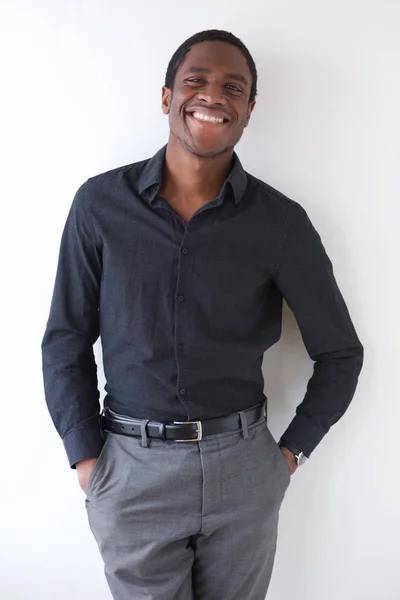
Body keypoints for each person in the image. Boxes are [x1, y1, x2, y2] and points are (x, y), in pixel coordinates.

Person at [41, 29, 364, 600]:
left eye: (232, 88)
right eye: (196, 81)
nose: (213, 97)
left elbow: (340, 352)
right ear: (166, 97)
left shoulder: (280, 223)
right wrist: (86, 459)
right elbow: (65, 339)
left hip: (244, 469)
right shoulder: (99, 206)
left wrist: (288, 456)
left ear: (248, 110)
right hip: (130, 471)